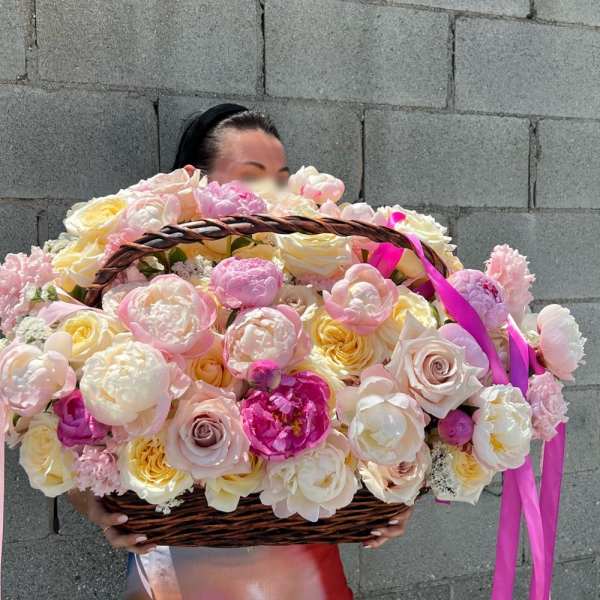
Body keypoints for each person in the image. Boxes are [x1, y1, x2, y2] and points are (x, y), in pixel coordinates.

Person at [66, 103, 414, 600]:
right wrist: (92, 502)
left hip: (304, 567)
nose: (272, 192)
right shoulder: (149, 294)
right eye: (252, 177)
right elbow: (76, 426)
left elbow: (365, 417)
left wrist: (390, 483)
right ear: (196, 184)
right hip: (186, 564)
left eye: (281, 178)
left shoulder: (319, 287)